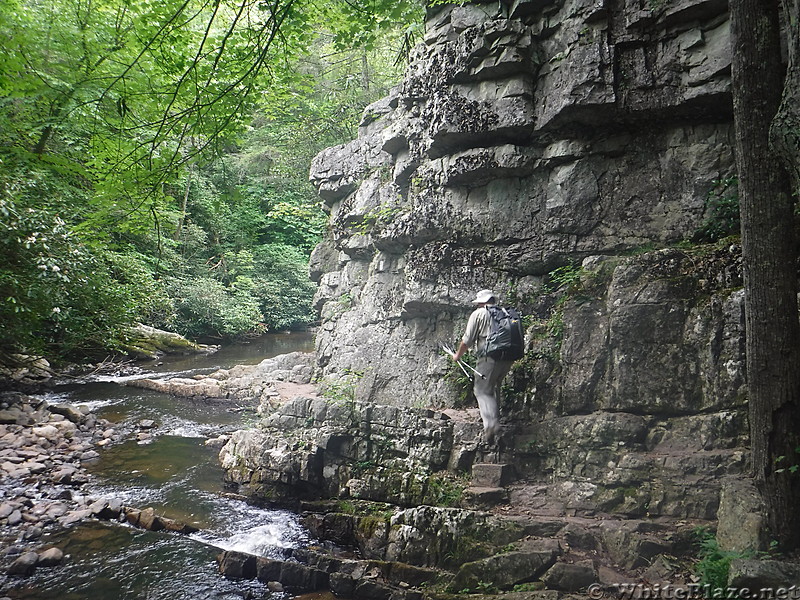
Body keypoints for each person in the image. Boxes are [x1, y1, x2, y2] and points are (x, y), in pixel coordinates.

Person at [450, 289, 514, 444]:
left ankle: (491, 425)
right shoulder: (504, 312)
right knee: (493, 387)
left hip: (489, 357)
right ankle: (495, 422)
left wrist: (457, 355)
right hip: (508, 357)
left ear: (481, 302)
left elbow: (467, 340)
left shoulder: (479, 314)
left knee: (481, 390)